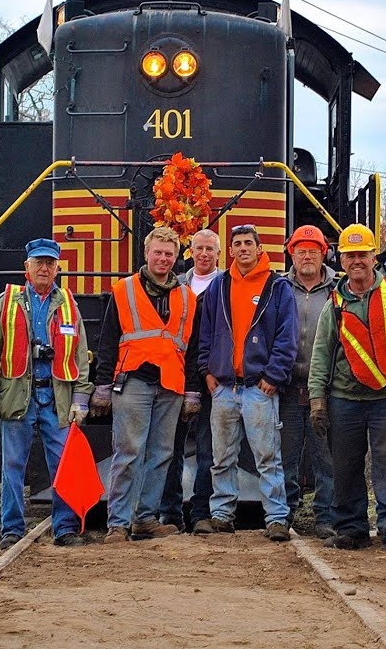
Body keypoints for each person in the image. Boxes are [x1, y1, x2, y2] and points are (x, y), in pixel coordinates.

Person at [308, 224, 386, 552]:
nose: (356, 261)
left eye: (362, 254)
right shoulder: (334, 303)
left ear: (374, 257)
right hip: (344, 399)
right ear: (341, 260)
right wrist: (317, 399)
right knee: (344, 466)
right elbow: (321, 354)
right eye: (350, 255)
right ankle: (352, 529)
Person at [92, 227, 202, 543]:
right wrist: (102, 385)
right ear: (147, 254)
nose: (163, 259)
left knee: (161, 454)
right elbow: (108, 340)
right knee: (128, 452)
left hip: (171, 385)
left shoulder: (187, 297)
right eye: (158, 252)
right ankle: (118, 523)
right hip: (133, 382)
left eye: (169, 254)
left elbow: (192, 347)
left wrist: (192, 390)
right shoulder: (124, 290)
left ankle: (145, 519)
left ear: (176, 258)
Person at [0, 238, 94, 548]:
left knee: (62, 465)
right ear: (27, 267)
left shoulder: (68, 306)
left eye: (50, 263)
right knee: (12, 465)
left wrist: (80, 400)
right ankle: (11, 529)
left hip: (56, 398)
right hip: (17, 395)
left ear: (58, 268)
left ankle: (65, 528)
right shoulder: (6, 304)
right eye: (39, 263)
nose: (44, 268)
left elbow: (80, 356)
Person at [196, 224, 297, 541]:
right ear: (231, 250)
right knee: (221, 458)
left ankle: (277, 518)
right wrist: (207, 370)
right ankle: (222, 515)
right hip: (224, 388)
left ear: (259, 247)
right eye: (237, 244)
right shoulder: (219, 286)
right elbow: (207, 331)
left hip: (259, 388)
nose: (242, 249)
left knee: (268, 458)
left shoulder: (277, 287)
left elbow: (287, 336)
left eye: (248, 243)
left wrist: (274, 376)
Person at [159, 229, 223, 533]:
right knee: (171, 447)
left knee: (209, 450)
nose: (204, 254)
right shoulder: (177, 286)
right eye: (199, 248)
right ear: (191, 252)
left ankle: (201, 512)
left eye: (210, 249)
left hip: (211, 379)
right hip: (177, 376)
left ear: (218, 254)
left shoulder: (226, 286)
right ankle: (169, 512)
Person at [278, 225, 337, 539]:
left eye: (313, 250)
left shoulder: (336, 290)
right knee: (286, 457)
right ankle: (284, 515)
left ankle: (325, 518)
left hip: (325, 391)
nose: (307, 256)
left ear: (323, 253)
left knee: (324, 458)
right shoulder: (279, 287)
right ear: (292, 254)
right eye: (301, 251)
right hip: (288, 388)